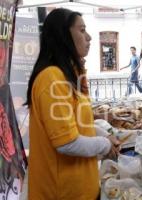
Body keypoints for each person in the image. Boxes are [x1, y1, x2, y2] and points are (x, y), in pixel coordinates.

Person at [24, 8, 120, 199]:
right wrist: (104, 144)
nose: (89, 37)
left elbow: (76, 124)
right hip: (62, 193)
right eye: (82, 30)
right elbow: (67, 142)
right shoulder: (52, 78)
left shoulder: (69, 75)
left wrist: (105, 135)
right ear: (63, 35)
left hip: (81, 189)